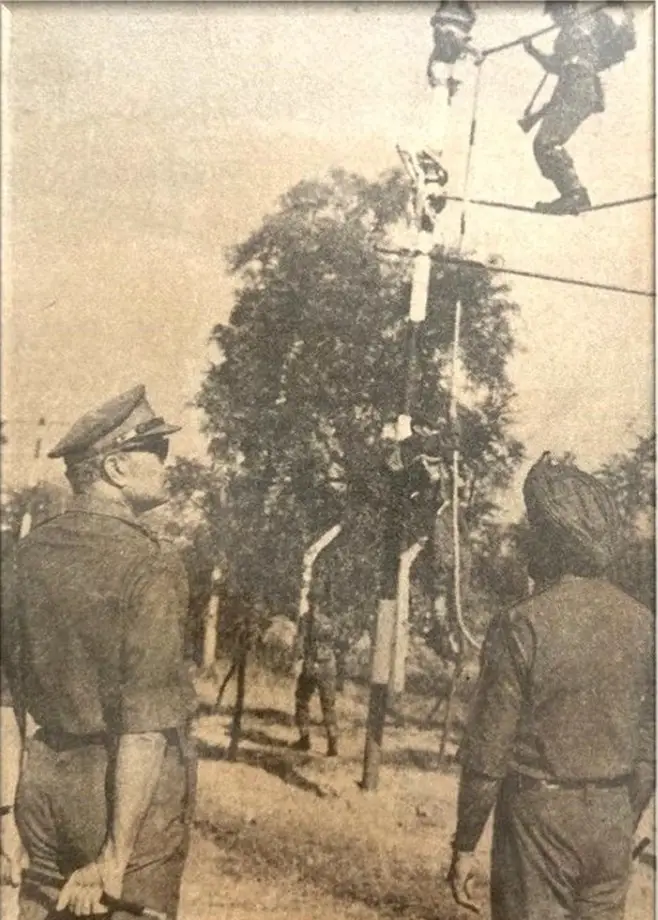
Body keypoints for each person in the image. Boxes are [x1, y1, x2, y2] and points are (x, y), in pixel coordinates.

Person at [2, 385, 197, 920]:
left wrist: (4, 814)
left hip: (41, 789)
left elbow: (4, 700)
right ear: (115, 468)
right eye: (155, 452)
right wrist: (113, 855)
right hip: (120, 797)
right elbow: (143, 728)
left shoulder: (25, 554)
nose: (166, 465)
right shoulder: (152, 564)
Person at [447, 452, 655, 919]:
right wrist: (621, 817)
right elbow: (649, 744)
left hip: (538, 824)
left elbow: (487, 753)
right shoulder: (643, 624)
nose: (525, 545)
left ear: (551, 543)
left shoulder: (522, 623)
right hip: (611, 819)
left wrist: (464, 845)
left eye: (532, 532)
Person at [524, 2, 636, 215]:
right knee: (541, 145)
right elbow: (555, 65)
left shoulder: (593, 20)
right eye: (553, 15)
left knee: (546, 142)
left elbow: (626, 42)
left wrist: (627, 12)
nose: (555, 18)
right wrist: (533, 51)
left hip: (581, 87)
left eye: (558, 11)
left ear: (570, 7)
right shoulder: (562, 38)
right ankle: (571, 194)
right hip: (567, 90)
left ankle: (574, 194)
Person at [291, 575, 339, 757]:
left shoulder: (306, 619)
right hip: (329, 666)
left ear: (312, 600)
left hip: (312, 666)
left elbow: (300, 643)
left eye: (311, 599)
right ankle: (333, 743)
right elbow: (340, 641)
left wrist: (297, 660)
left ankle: (304, 740)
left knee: (302, 700)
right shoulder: (332, 619)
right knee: (328, 706)